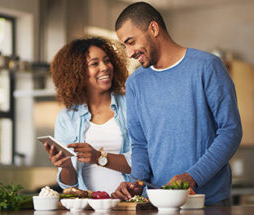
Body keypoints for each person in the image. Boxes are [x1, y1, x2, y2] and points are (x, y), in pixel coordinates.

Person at [111, 2, 242, 206]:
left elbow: (230, 131)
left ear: (153, 29)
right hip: (156, 202)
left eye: (131, 42)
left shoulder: (207, 67)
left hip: (207, 202)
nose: (129, 53)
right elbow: (140, 143)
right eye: (124, 46)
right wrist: (135, 182)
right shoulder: (135, 83)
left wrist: (192, 177)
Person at [45, 37, 131, 194]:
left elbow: (143, 163)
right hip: (89, 206)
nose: (105, 67)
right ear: (77, 72)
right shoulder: (67, 118)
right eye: (95, 63)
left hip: (129, 203)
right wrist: (65, 166)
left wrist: (98, 157)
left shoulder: (131, 106)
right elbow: (69, 184)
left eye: (107, 61)